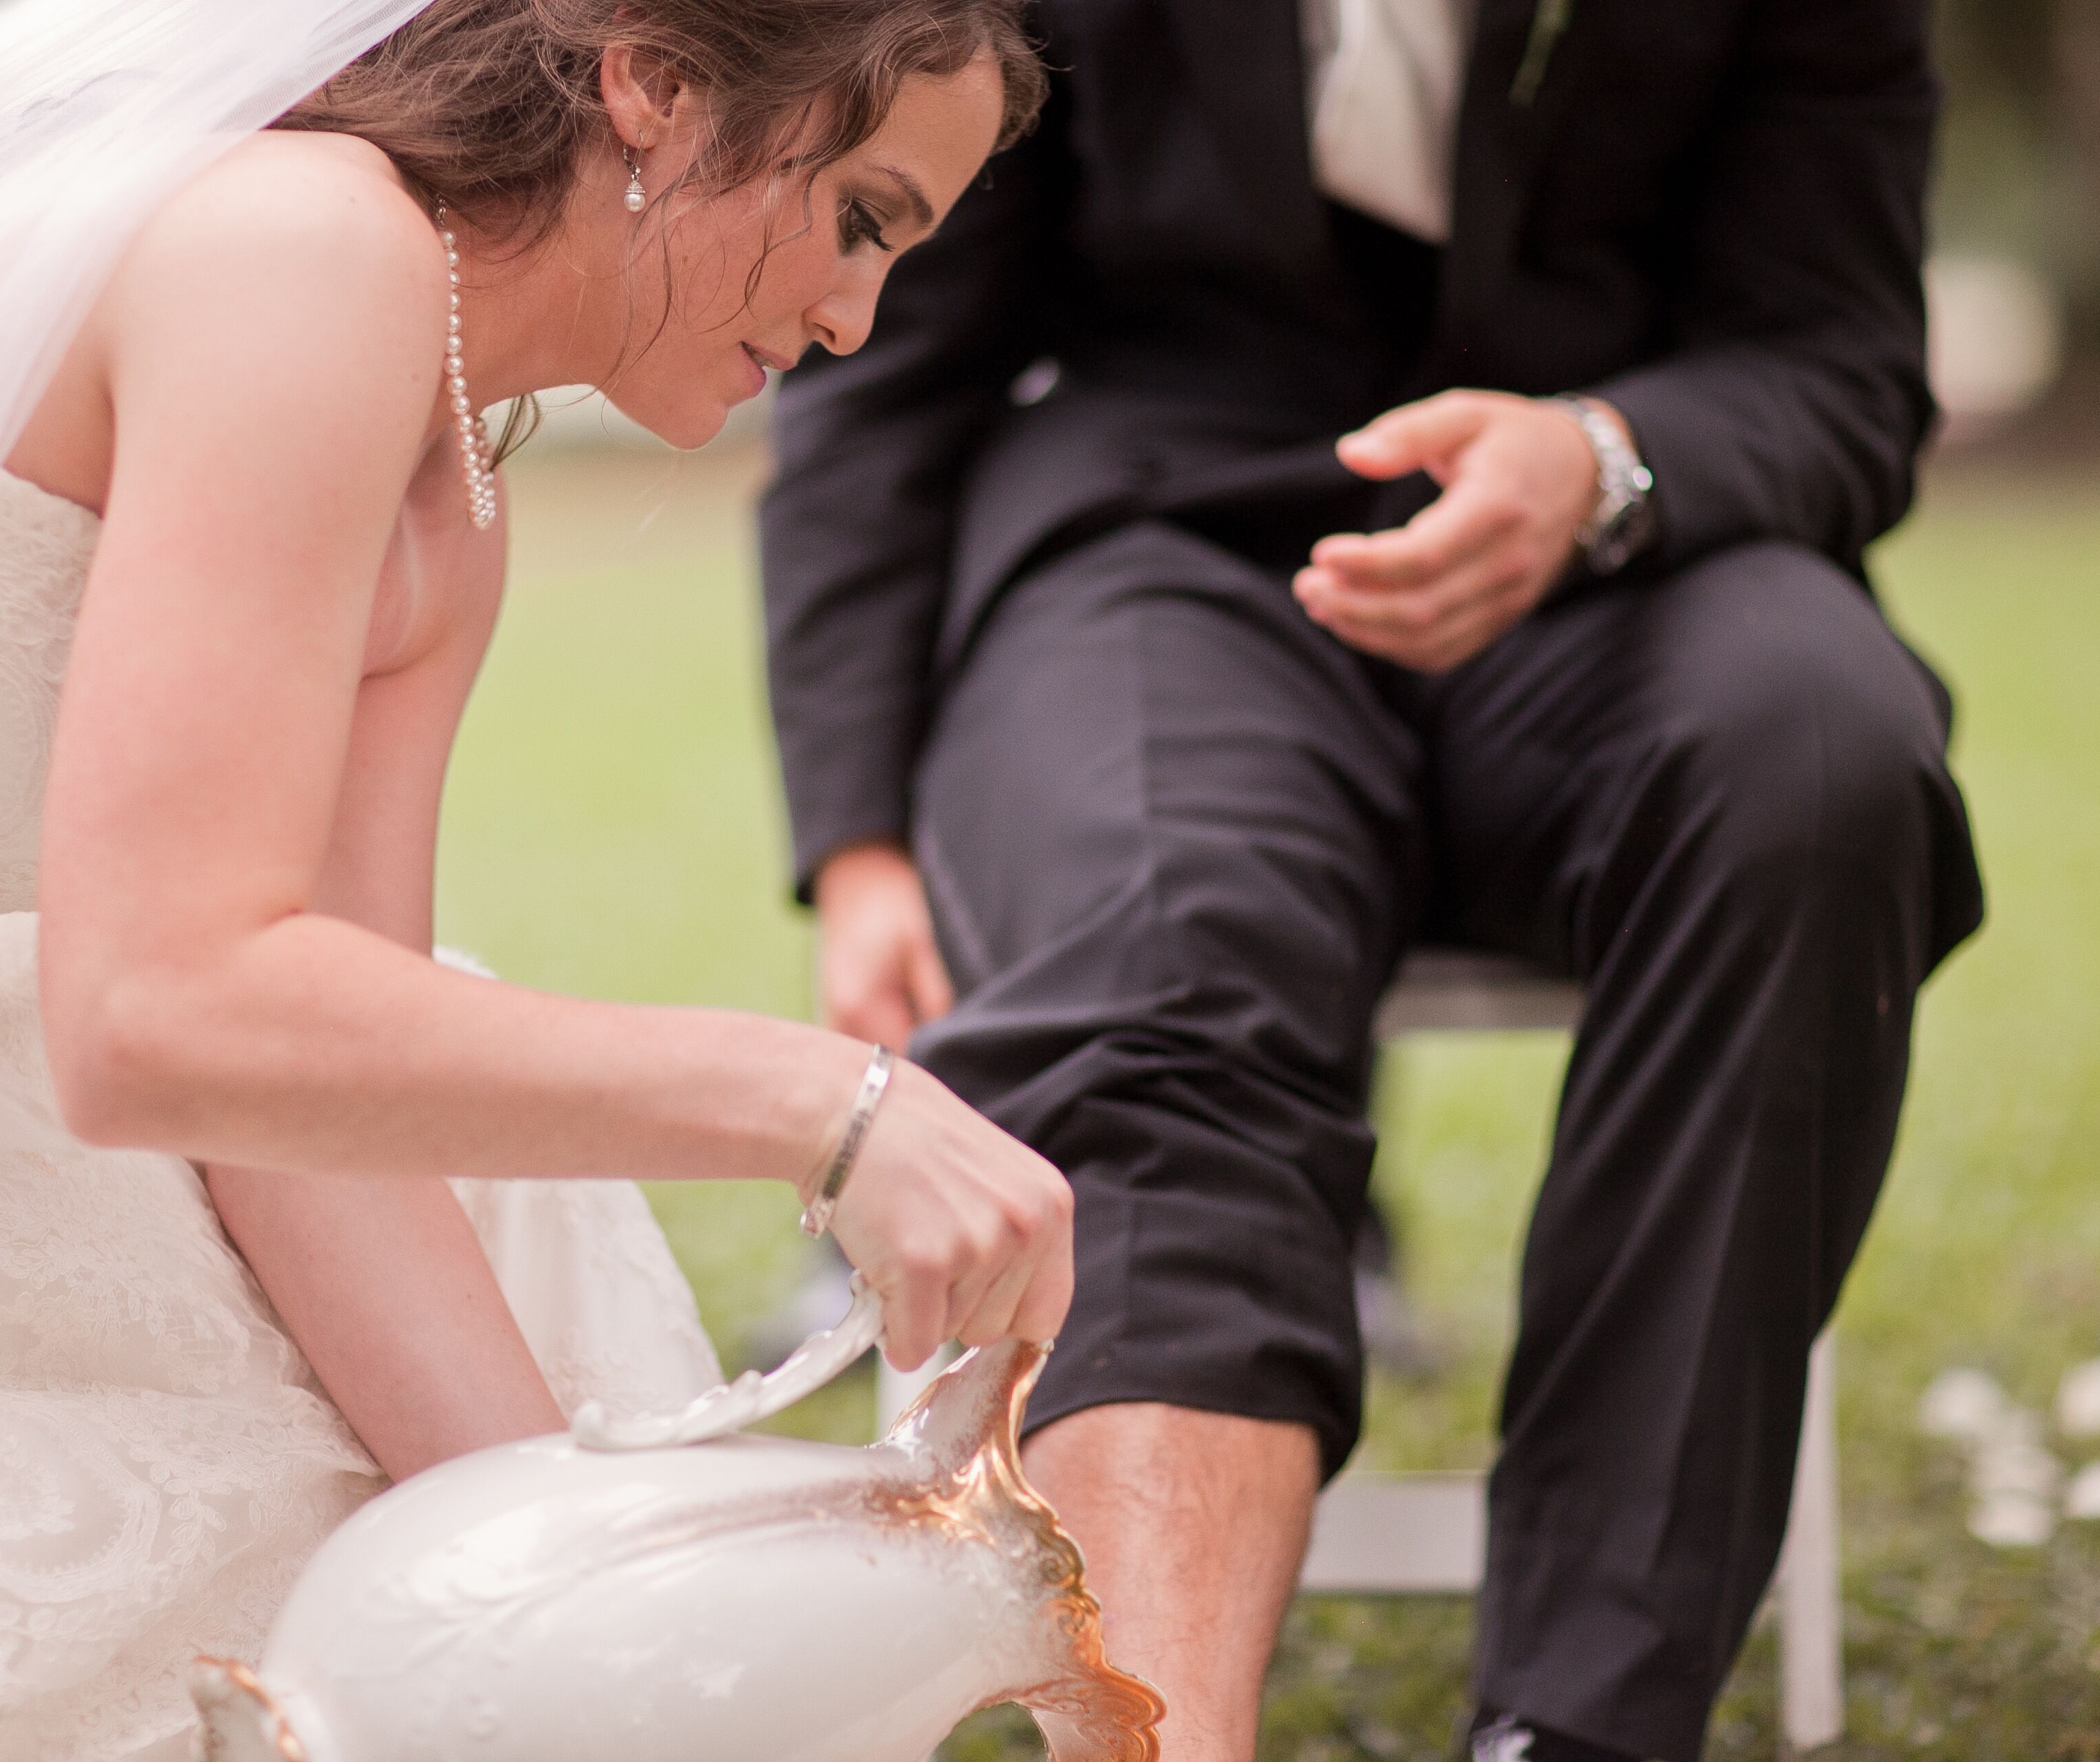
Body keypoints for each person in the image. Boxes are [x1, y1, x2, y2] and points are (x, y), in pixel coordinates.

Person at [0, 3, 1068, 1757]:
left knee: (458, 1236)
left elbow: (299, 1127)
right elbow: (160, 1015)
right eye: (864, 215)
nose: (851, 317)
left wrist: (574, 1601)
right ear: (654, 87)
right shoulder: (299, 243)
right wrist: (831, 1102)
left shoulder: (450, 505)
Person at [760, 1, 1986, 1758]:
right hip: (1160, 531)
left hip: (1625, 568)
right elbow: (894, 330)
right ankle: (1162, 1735)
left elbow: (1841, 363)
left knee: (1813, 756)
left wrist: (1600, 458)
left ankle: (1571, 1727)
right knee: (1159, 914)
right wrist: (858, 836)